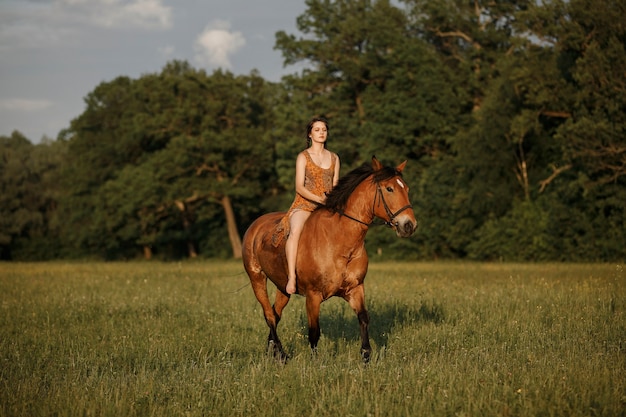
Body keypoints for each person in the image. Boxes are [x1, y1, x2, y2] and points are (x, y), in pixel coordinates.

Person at [284, 117, 340, 294]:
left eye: (324, 129)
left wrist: (332, 201)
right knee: (295, 231)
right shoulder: (303, 157)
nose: (321, 132)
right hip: (305, 205)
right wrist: (319, 199)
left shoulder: (334, 157)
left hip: (327, 207)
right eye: (317, 130)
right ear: (310, 134)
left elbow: (336, 184)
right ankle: (292, 277)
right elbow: (299, 187)